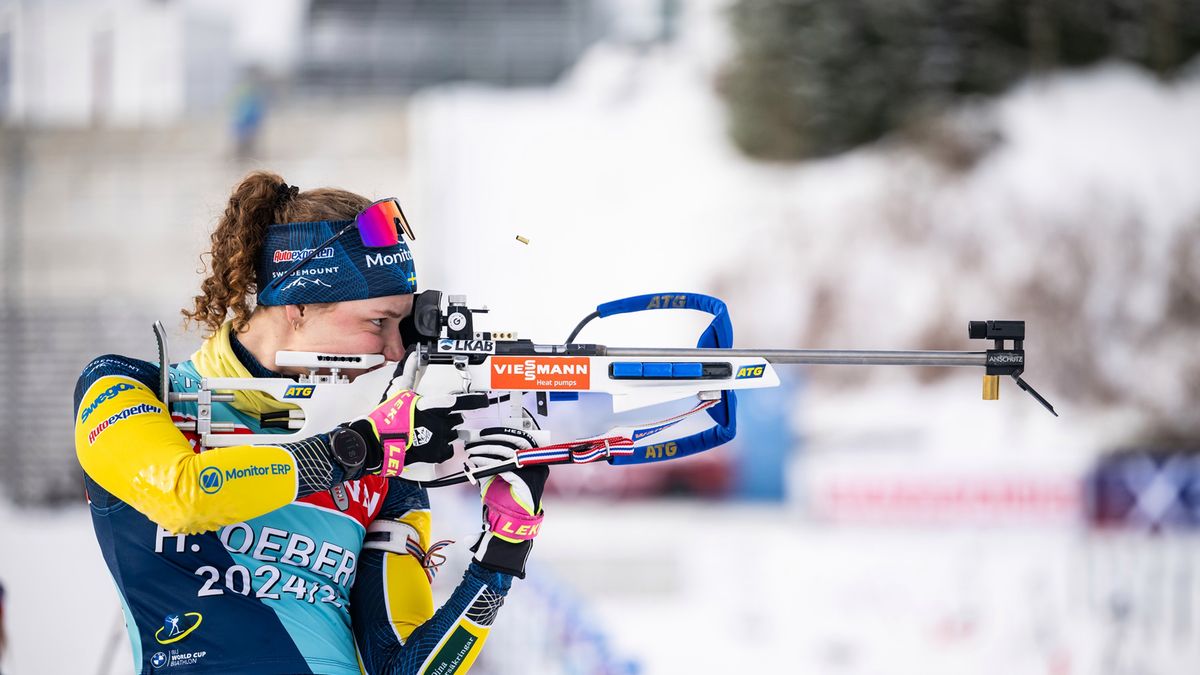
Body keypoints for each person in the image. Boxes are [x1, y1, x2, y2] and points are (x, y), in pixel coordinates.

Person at [73, 171, 548, 674]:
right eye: (377, 322)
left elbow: (405, 669)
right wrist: (358, 449)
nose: (394, 350)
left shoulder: (387, 463)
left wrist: (501, 555)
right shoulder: (126, 389)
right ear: (298, 304)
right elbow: (183, 496)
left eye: (400, 328)